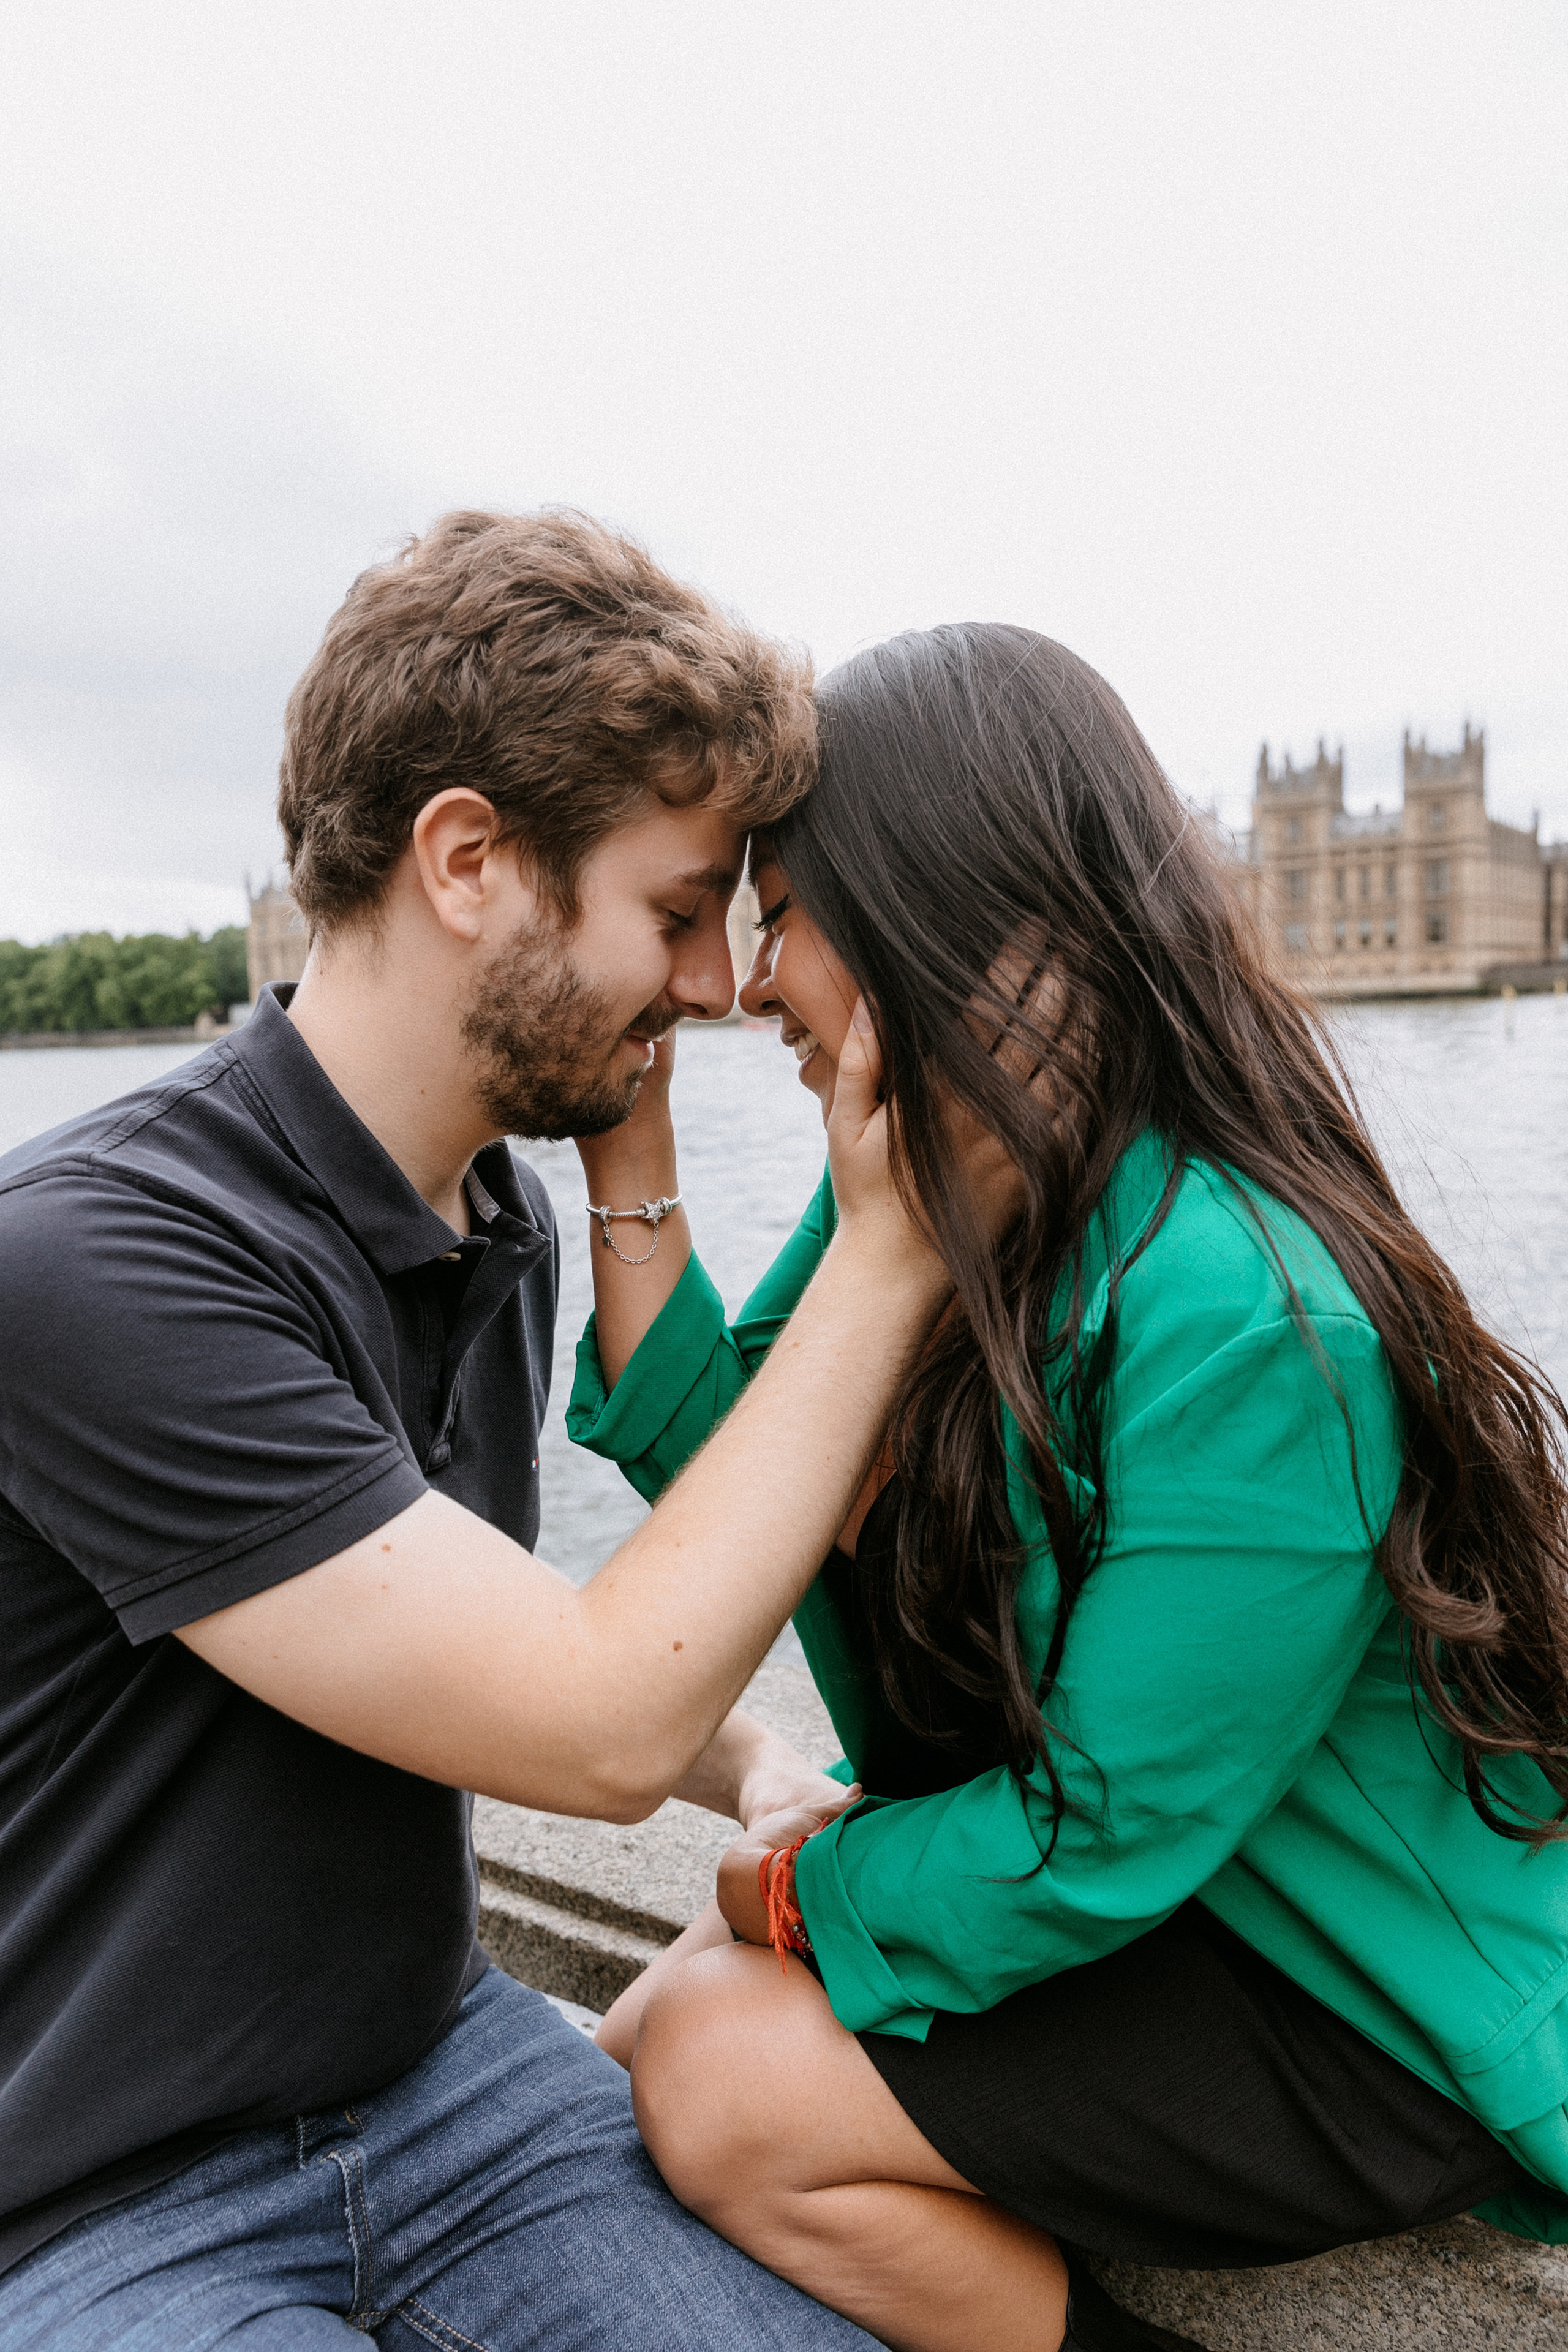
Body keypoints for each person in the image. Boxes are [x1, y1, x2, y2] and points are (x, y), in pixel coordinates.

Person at [0, 516, 1017, 2351]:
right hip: (91, 2199)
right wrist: (890, 1253)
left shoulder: (496, 1215)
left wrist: (759, 1767)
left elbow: (443, 1618)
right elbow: (584, 1716)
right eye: (678, 909)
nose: (718, 987)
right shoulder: (89, 1263)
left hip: (441, 2081)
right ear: (468, 859)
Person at [567, 624, 1568, 2352]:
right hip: (1187, 1891)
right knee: (653, 2032)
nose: (743, 981)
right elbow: (743, 1488)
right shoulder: (943, 1185)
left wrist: (794, 1884)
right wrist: (629, 1151)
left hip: (1357, 1985)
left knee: (718, 2068)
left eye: (786, 912)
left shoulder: (1251, 1316)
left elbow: (1101, 1833)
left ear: (934, 902)